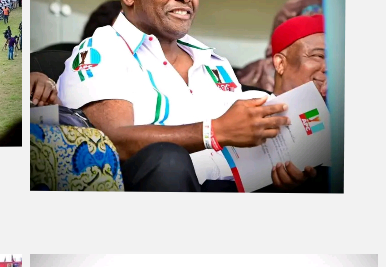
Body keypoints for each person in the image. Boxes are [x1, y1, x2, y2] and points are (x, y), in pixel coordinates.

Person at [57, 0, 308, 192]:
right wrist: (213, 131)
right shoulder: (102, 49)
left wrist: (280, 170)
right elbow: (114, 142)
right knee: (167, 159)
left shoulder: (214, 62)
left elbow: (240, 146)